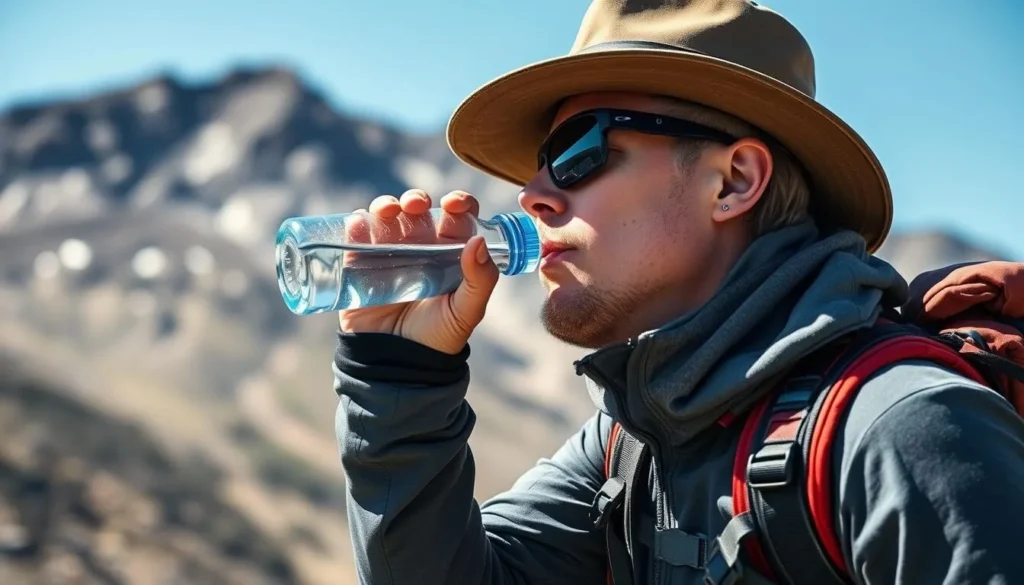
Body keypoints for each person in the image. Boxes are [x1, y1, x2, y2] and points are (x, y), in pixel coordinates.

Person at [330, 1, 1024, 583]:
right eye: (540, 166)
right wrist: (399, 378)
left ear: (733, 182)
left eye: (578, 151)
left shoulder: (903, 429)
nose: (532, 195)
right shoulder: (633, 438)